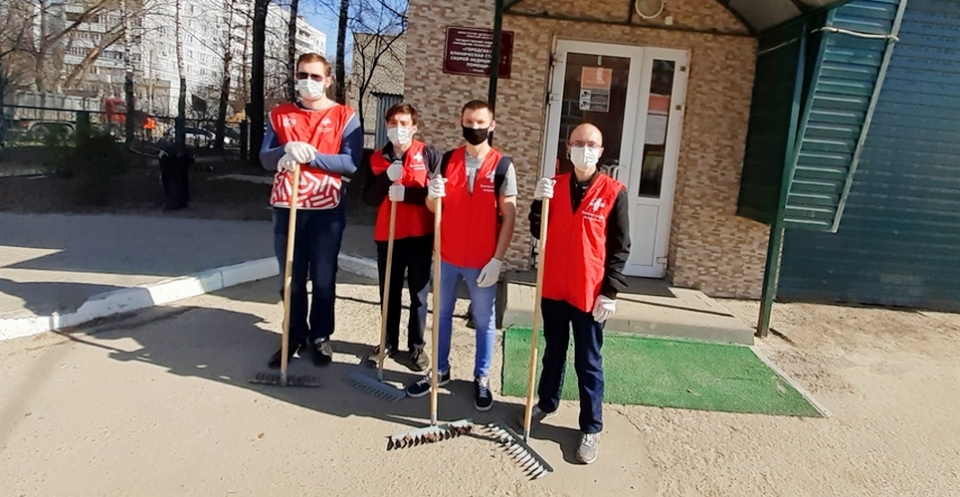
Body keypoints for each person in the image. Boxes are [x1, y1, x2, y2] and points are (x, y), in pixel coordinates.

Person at [524, 122, 630, 465]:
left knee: (588, 361)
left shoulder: (614, 192)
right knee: (553, 352)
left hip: (589, 292)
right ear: (568, 148)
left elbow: (620, 247)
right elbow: (537, 229)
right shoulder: (554, 186)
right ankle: (546, 403)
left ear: (601, 151)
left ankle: (591, 427)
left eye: (591, 144)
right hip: (554, 286)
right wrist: (538, 202)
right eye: (578, 143)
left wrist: (610, 292)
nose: (585, 149)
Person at [404, 100, 517, 412]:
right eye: (469, 122)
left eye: (481, 123)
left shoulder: (502, 166)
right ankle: (440, 371)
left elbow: (509, 217)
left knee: (484, 320)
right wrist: (431, 195)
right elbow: (433, 207)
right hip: (446, 255)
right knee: (440, 316)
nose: (474, 128)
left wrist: (497, 260)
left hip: (482, 261)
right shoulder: (447, 160)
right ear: (461, 122)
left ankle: (482, 377)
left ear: (491, 125)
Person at [259, 53, 361, 368]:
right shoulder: (280, 115)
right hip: (287, 207)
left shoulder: (345, 116)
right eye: (303, 75)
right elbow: (264, 157)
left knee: (323, 276)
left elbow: (350, 163)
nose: (309, 81)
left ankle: (320, 335)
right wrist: (284, 150)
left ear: (328, 80)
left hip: (325, 209)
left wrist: (310, 156)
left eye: (316, 76)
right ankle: (293, 335)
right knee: (291, 276)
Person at [361, 103, 441, 372]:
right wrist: (386, 177)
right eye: (394, 123)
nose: (399, 128)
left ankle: (416, 347)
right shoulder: (375, 159)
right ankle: (388, 342)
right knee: (389, 292)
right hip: (388, 236)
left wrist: (408, 195)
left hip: (420, 235)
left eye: (404, 123)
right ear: (386, 125)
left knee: (419, 295)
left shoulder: (428, 154)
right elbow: (368, 198)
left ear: (414, 127)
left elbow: (437, 193)